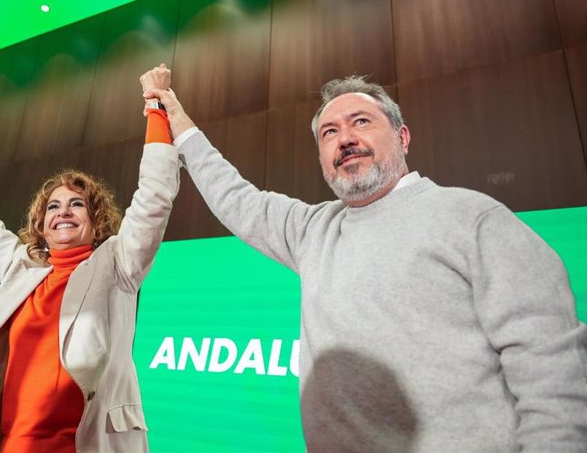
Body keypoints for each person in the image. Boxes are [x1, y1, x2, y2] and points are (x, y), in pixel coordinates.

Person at [141, 65, 587, 452]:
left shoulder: (473, 217)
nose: (346, 140)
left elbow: (553, 367)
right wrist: (176, 118)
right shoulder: (312, 229)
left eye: (361, 122)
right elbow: (234, 196)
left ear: (402, 136)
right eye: (329, 133)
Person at [0, 97, 178, 452]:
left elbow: (155, 198)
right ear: (41, 225)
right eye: (53, 207)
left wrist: (155, 107)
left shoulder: (117, 262)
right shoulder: (23, 267)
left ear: (96, 220)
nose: (64, 212)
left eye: (77, 204)